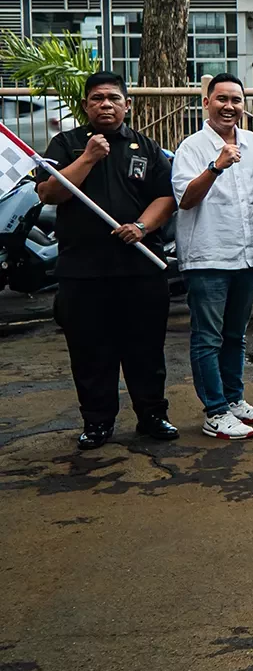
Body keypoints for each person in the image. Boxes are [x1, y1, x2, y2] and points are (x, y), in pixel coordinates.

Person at [36, 72, 177, 449]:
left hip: (139, 268)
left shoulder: (146, 147)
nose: (106, 105)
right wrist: (87, 158)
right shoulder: (66, 144)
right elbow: (49, 193)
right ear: (86, 105)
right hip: (83, 271)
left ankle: (152, 415)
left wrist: (142, 227)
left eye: (114, 98)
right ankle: (97, 421)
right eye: (97, 98)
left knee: (146, 348)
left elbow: (166, 197)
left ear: (127, 104)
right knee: (90, 351)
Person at [173, 73, 253, 441]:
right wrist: (216, 166)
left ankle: (233, 399)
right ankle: (214, 411)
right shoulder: (192, 147)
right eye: (221, 99)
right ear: (206, 103)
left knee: (236, 335)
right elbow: (185, 199)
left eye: (236, 100)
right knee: (208, 338)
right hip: (208, 257)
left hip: (248, 257)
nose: (229, 106)